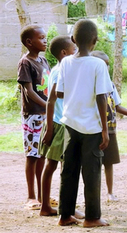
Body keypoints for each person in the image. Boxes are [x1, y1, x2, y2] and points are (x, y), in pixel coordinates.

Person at [56, 19, 113, 227]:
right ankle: (92, 217)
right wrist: (105, 130)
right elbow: (101, 98)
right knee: (92, 172)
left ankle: (65, 216)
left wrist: (76, 88)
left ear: (73, 39)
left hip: (70, 125)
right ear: (95, 41)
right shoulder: (98, 64)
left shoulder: (65, 62)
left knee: (68, 171)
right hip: (91, 128)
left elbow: (60, 92)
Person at [38, 35, 82, 218]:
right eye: (74, 50)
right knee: (51, 166)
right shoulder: (59, 71)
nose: (76, 53)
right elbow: (51, 101)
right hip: (57, 125)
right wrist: (49, 129)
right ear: (64, 53)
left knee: (66, 167)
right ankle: (45, 206)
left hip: (64, 124)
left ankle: (66, 206)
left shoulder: (65, 70)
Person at [91, 50, 127, 202]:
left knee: (109, 162)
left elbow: (117, 106)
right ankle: (94, 194)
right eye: (103, 66)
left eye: (107, 66)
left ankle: (110, 193)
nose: (106, 69)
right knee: (93, 164)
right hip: (93, 129)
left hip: (110, 129)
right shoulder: (89, 85)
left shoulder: (110, 85)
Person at [17, 24, 50, 210]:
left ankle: (42, 194)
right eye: (41, 38)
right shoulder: (25, 62)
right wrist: (48, 106)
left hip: (46, 114)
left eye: (45, 37)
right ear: (29, 42)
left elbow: (50, 88)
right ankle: (31, 196)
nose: (45, 41)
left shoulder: (44, 61)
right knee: (32, 155)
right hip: (33, 116)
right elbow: (28, 91)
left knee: (42, 155)